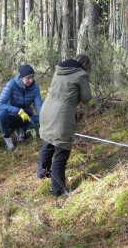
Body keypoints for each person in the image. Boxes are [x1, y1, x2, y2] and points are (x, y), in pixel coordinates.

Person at [37, 54, 92, 197]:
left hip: (46, 110)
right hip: (62, 115)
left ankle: (42, 173)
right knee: (61, 153)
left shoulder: (59, 70)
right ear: (86, 66)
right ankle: (58, 190)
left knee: (49, 142)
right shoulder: (81, 75)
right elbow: (86, 98)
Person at [0, 64, 43, 151]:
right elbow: (0, 104)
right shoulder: (11, 85)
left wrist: (44, 118)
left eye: (32, 77)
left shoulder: (35, 88)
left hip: (26, 118)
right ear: (21, 77)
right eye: (28, 78)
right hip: (11, 117)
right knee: (1, 114)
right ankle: (8, 138)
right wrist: (18, 111)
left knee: (42, 120)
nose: (31, 80)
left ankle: (21, 130)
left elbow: (39, 105)